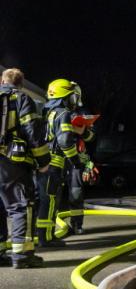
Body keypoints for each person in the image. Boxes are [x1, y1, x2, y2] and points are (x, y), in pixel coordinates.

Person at [0, 68, 50, 268]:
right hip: (12, 162)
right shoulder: (21, 98)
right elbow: (32, 131)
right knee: (21, 205)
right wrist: (43, 161)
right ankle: (22, 255)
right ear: (20, 84)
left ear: (2, 81)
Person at [36, 79, 85, 247]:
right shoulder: (63, 113)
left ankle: (40, 234)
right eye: (72, 97)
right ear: (65, 97)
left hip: (41, 162)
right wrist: (76, 161)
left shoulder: (44, 111)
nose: (74, 101)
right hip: (54, 163)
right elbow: (65, 142)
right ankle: (46, 238)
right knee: (49, 200)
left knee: (42, 200)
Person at [64, 84, 96, 235]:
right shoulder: (58, 112)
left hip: (77, 159)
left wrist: (82, 131)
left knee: (76, 193)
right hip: (58, 157)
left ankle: (77, 225)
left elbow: (92, 137)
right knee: (52, 194)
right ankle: (48, 228)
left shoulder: (83, 113)